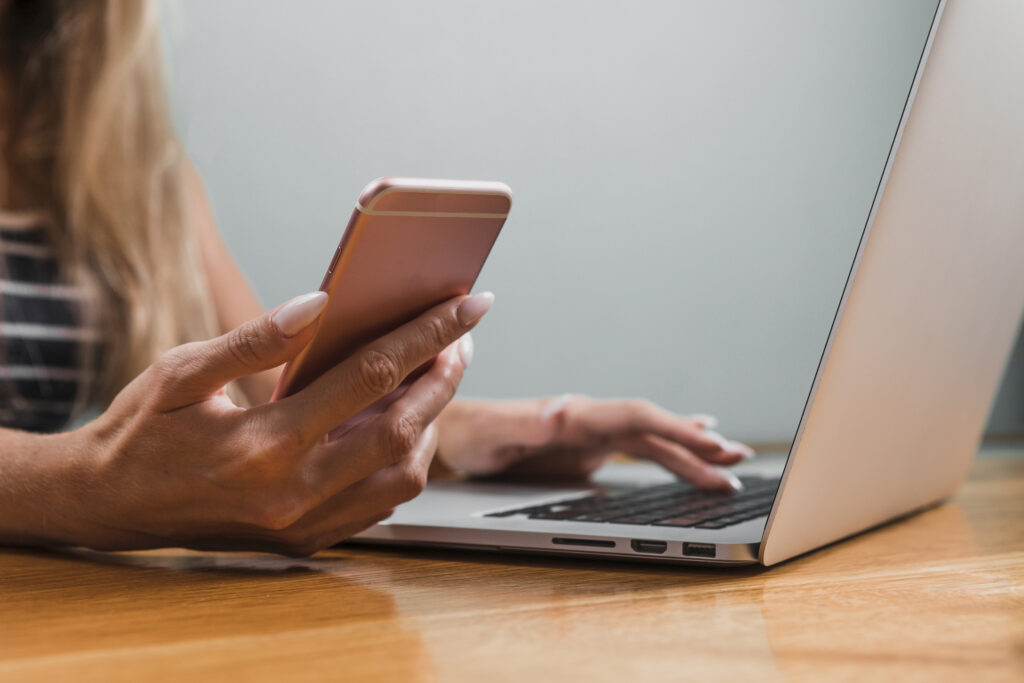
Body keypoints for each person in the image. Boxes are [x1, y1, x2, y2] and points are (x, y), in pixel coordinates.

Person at [0, 1, 753, 556]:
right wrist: (87, 481)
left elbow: (278, 405)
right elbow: (106, 472)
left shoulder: (133, 163)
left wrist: (504, 429)